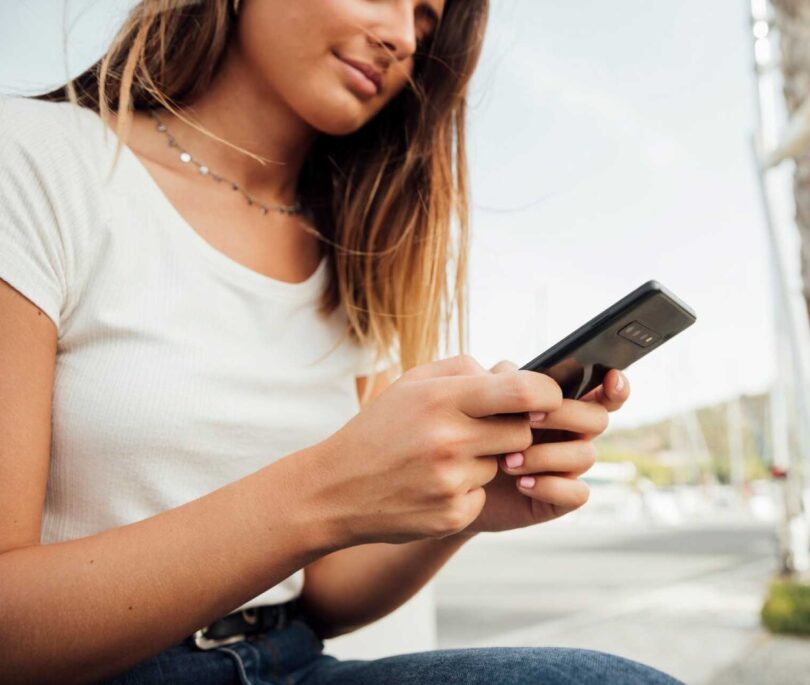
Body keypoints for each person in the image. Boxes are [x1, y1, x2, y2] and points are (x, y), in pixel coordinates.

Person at [0, 1, 684, 683]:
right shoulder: (35, 158)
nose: (399, 37)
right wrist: (325, 488)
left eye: (423, 17)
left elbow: (322, 594)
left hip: (287, 658)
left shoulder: (352, 257)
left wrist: (466, 506)